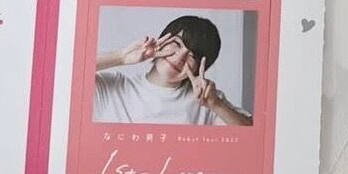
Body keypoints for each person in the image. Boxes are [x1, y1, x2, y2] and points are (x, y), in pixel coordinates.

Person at [94, 15, 253, 127]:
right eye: (177, 44)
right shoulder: (114, 87)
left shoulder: (207, 100)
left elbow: (255, 137)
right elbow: (77, 67)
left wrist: (217, 105)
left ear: (199, 68)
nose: (179, 57)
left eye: (192, 56)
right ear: (161, 41)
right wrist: (121, 57)